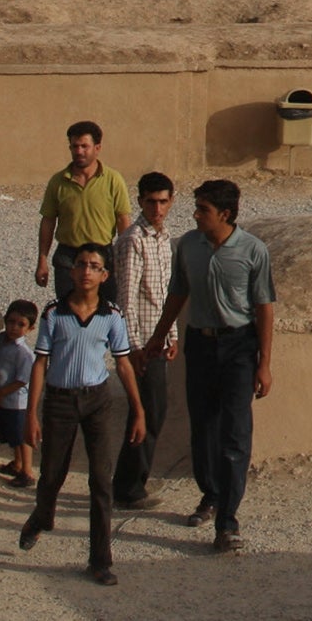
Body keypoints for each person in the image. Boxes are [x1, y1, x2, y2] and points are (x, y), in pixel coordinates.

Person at [141, 178, 274, 554]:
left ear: (225, 214)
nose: (196, 215)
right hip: (200, 345)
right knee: (203, 429)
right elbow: (177, 294)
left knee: (235, 433)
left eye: (203, 210)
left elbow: (264, 308)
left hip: (238, 348)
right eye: (197, 208)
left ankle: (227, 521)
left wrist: (264, 364)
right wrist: (159, 335)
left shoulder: (253, 251)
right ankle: (210, 493)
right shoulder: (188, 246)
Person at [18, 250, 145, 586]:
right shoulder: (53, 314)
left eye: (95, 267)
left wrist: (138, 410)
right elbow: (41, 363)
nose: (87, 271)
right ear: (72, 272)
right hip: (60, 400)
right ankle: (42, 517)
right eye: (81, 265)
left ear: (105, 275)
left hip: (97, 401)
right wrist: (31, 414)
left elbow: (122, 363)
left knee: (101, 481)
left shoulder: (111, 315)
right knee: (51, 476)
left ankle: (100, 560)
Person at [110, 171, 179, 510]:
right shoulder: (132, 240)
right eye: (151, 201)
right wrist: (132, 347)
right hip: (141, 343)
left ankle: (131, 481)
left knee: (155, 409)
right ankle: (128, 487)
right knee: (148, 411)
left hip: (158, 337)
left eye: (163, 201)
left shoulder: (164, 239)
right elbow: (125, 299)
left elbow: (166, 292)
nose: (157, 208)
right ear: (139, 202)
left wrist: (173, 333)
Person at [36, 121, 132, 305]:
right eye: (75, 146)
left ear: (97, 148)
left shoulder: (113, 180)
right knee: (67, 311)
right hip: (68, 257)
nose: (79, 151)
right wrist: (42, 259)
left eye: (84, 146)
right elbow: (48, 220)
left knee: (106, 311)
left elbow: (122, 219)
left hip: (103, 255)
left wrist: (124, 259)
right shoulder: (58, 182)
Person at [0, 300, 39, 486]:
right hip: (4, 400)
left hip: (17, 402)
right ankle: (17, 464)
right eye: (11, 322)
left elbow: (22, 380)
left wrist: (1, 393)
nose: (14, 327)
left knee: (21, 438)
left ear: (30, 328)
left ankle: (27, 471)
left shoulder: (24, 353)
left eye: (21, 324)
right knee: (12, 436)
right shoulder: (2, 342)